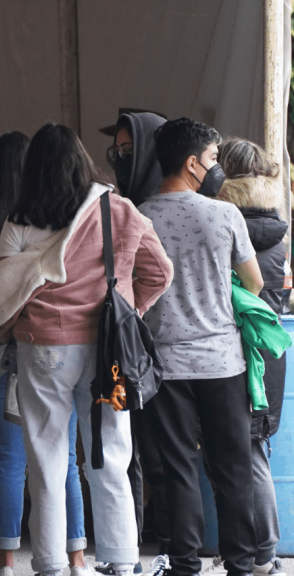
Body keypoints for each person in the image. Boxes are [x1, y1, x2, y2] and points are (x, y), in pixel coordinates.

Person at [0, 123, 172, 576]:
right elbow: (160, 272)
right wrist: (128, 312)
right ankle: (121, 560)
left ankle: (50, 563)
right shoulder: (119, 210)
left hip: (42, 348)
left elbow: (3, 288)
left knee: (47, 458)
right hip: (107, 351)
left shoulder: (20, 219)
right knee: (111, 455)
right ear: (83, 161)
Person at [0, 132, 90, 576]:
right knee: (64, 458)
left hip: (2, 351)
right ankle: (76, 557)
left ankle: (6, 560)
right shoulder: (62, 218)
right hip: (51, 344)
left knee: (11, 460)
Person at [138, 118, 263, 576]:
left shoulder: (139, 216)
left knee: (177, 468)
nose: (216, 167)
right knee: (232, 468)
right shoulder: (224, 215)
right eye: (212, 158)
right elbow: (255, 282)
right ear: (192, 163)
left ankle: (185, 564)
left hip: (165, 365)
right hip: (222, 363)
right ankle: (241, 564)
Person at [204, 137, 287, 576]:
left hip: (238, 349)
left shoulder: (225, 223)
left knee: (247, 454)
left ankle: (263, 553)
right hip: (268, 350)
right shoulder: (275, 226)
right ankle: (256, 550)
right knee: (255, 448)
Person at [104, 111, 171, 572]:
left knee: (158, 454)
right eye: (118, 150)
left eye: (130, 149)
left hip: (162, 350)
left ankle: (166, 545)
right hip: (132, 350)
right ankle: (129, 546)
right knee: (126, 452)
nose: (121, 157)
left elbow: (161, 274)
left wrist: (133, 313)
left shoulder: (154, 209)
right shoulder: (122, 205)